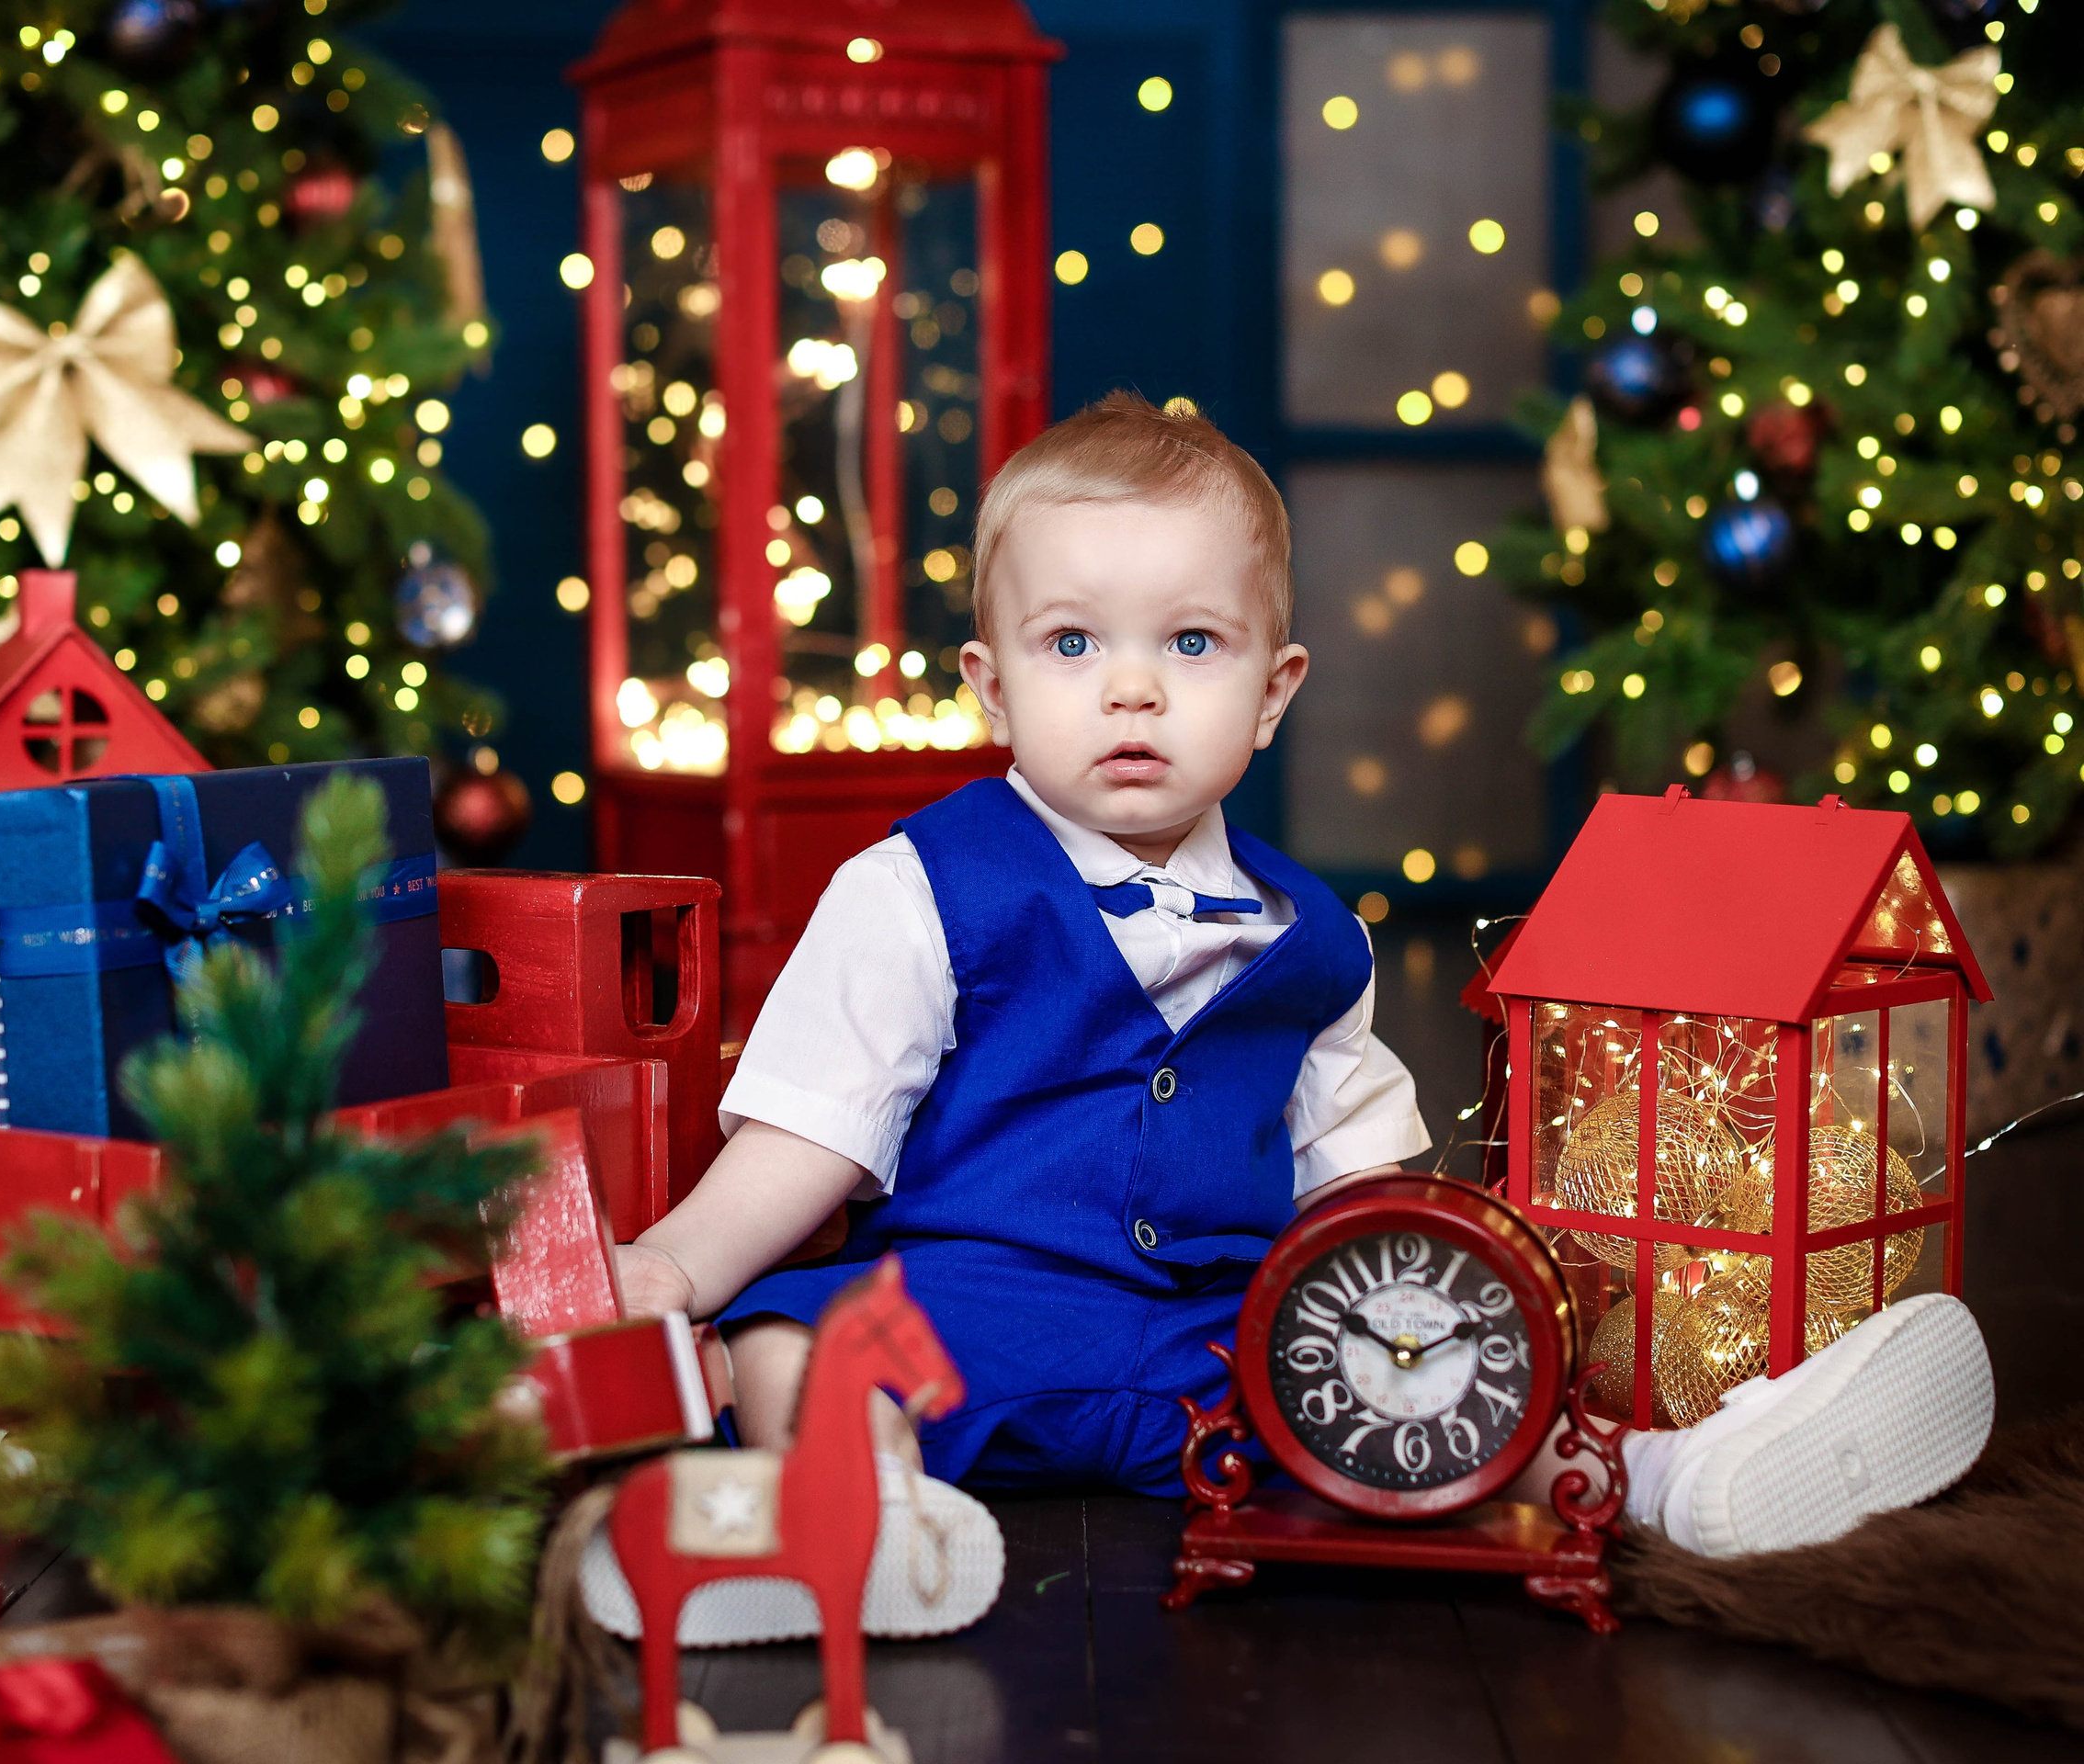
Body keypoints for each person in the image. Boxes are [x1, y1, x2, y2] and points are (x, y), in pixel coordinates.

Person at [597, 392, 1992, 1645]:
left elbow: (1362, 1179)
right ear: (991, 686)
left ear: (1272, 695)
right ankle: (852, 1522)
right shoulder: (913, 890)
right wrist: (670, 1269)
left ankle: (1662, 1477)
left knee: (1402, 1392)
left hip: (1214, 1336)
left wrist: (1451, 1324)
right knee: (795, 1344)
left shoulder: (1312, 934)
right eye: (1071, 642)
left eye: (1191, 643)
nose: (1131, 687)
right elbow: (814, 1130)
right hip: (969, 1305)